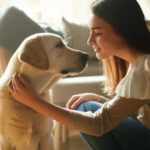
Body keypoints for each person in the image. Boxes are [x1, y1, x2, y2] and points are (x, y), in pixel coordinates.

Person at [7, 0, 150, 149]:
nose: (90, 41)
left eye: (97, 33)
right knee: (87, 106)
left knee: (86, 108)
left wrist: (34, 102)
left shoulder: (145, 67)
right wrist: (103, 101)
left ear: (123, 31)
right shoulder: (140, 63)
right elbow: (139, 116)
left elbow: (99, 124)